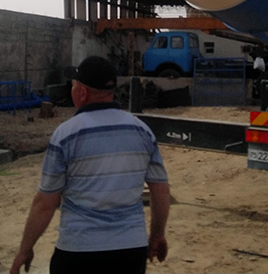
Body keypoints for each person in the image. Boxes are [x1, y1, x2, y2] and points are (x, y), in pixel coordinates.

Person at [10, 56, 170, 274]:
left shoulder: (65, 135)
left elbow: (45, 203)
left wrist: (25, 249)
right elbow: (160, 190)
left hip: (78, 251)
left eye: (74, 85)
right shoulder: (141, 131)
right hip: (130, 252)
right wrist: (157, 235)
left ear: (82, 93)